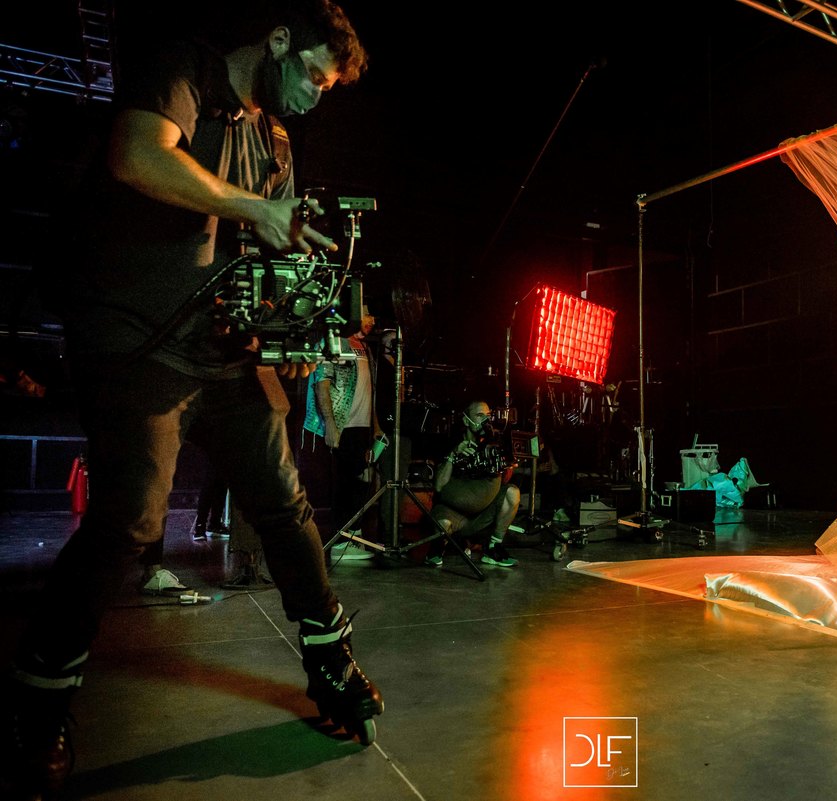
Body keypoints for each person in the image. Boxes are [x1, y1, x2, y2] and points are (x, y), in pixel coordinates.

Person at [2, 3, 380, 798]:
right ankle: (39, 701)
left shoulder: (276, 145)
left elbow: (260, 255)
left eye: (325, 89)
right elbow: (138, 153)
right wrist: (253, 208)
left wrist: (295, 315)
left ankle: (331, 659)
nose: (313, 97)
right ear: (279, 41)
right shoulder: (187, 71)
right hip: (135, 337)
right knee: (130, 519)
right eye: (312, 76)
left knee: (285, 501)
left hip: (222, 352)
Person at [303, 304, 383, 560]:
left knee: (361, 479)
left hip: (361, 426)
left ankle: (352, 538)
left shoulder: (366, 348)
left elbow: (369, 390)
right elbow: (322, 384)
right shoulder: (334, 342)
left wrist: (375, 426)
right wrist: (330, 424)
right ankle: (341, 542)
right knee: (344, 483)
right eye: (367, 312)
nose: (371, 319)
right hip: (341, 423)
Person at [428, 400, 520, 568]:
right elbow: (439, 486)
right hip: (453, 516)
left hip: (481, 518)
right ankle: (438, 547)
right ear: (466, 420)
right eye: (479, 415)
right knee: (443, 524)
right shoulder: (451, 443)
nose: (485, 420)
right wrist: (453, 455)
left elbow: (504, 482)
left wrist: (503, 463)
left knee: (512, 493)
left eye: (488, 416)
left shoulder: (492, 445)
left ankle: (493, 548)